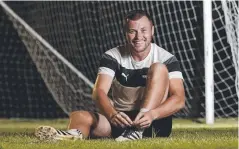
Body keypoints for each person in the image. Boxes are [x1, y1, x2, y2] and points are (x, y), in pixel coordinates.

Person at [35, 9, 185, 142]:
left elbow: (178, 99)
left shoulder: (166, 58)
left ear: (152, 31)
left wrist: (152, 115)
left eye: (144, 30)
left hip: (152, 122)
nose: (139, 36)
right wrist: (112, 114)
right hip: (123, 120)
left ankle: (137, 132)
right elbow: (99, 91)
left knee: (158, 68)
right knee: (79, 116)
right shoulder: (112, 56)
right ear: (126, 33)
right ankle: (71, 135)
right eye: (132, 31)